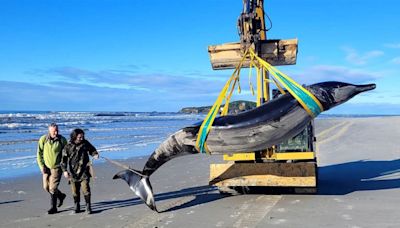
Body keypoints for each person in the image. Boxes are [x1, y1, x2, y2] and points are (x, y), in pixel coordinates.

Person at [61, 128, 99, 214]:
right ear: (74, 137)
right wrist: (64, 171)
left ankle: (88, 206)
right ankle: (76, 206)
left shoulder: (85, 143)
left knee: (86, 189)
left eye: (82, 137)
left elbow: (92, 150)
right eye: (79, 137)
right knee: (75, 191)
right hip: (73, 173)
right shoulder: (68, 146)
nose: (82, 139)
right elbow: (63, 160)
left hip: (84, 171)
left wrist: (95, 154)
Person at [36, 123, 68, 214]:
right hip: (46, 167)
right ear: (49, 131)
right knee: (46, 187)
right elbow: (39, 154)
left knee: (53, 188)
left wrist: (64, 168)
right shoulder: (43, 139)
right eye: (54, 131)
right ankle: (61, 196)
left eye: (57, 130)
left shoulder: (62, 140)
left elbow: (65, 155)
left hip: (57, 167)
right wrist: (41, 166)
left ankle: (53, 208)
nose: (56, 132)